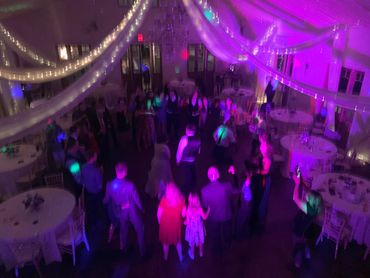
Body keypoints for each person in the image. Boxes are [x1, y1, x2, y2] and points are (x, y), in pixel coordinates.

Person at [103, 163, 145, 256]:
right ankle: (142, 252)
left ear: (115, 171)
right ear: (125, 172)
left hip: (120, 211)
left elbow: (106, 199)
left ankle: (125, 249)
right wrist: (142, 208)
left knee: (124, 230)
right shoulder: (130, 185)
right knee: (140, 229)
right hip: (132, 210)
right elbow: (136, 199)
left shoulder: (109, 185)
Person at [292, 173, 322, 268]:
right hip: (306, 231)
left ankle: (297, 263)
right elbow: (309, 192)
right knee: (305, 243)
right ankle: (308, 256)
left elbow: (295, 198)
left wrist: (297, 184)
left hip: (300, 231)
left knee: (298, 246)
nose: (306, 196)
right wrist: (301, 181)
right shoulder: (315, 207)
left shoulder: (308, 209)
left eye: (308, 197)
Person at [201, 166, 233, 254]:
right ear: (218, 175)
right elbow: (234, 192)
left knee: (216, 234)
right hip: (226, 214)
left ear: (208, 176)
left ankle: (218, 251)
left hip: (214, 217)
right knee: (227, 232)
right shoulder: (226, 186)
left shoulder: (204, 190)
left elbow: (205, 205)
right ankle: (228, 247)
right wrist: (233, 175)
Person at [157, 182, 186, 261]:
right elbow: (184, 214)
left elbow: (159, 213)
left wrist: (160, 222)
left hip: (165, 226)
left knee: (165, 243)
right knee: (178, 242)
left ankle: (165, 257)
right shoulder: (181, 200)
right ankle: (180, 257)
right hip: (176, 225)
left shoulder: (163, 200)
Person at [176, 124, 201, 194]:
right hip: (193, 161)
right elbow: (198, 151)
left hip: (185, 162)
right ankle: (193, 190)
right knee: (193, 175)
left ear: (187, 130)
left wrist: (178, 160)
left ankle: (185, 192)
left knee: (186, 177)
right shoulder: (198, 140)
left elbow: (179, 151)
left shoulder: (184, 139)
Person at [184, 192, 210, 260]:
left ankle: (192, 254)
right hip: (199, 226)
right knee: (200, 239)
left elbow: (187, 221)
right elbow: (204, 217)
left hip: (192, 227)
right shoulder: (200, 208)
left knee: (192, 241)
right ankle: (201, 252)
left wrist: (185, 222)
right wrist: (208, 211)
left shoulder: (189, 210)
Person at [81, 151, 103, 226]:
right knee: (98, 209)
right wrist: (101, 173)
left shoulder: (83, 167)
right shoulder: (96, 171)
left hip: (87, 192)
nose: (96, 157)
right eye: (95, 156)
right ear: (92, 158)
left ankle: (91, 221)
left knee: (91, 208)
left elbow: (82, 179)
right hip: (95, 193)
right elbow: (100, 186)